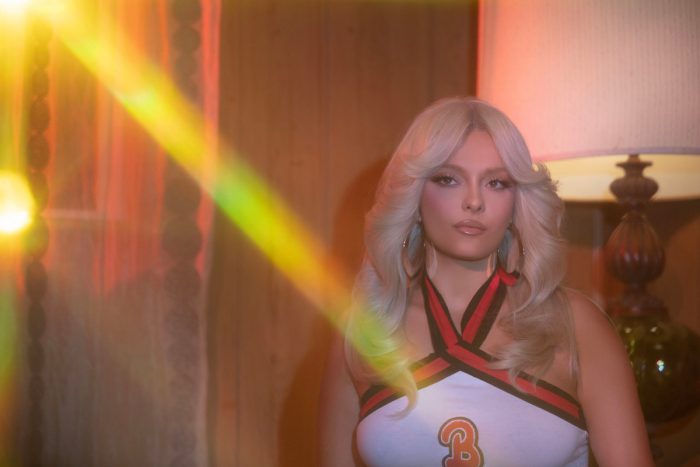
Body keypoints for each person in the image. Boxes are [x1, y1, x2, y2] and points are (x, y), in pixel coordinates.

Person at [318, 97, 654, 467]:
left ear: (517, 201)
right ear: (413, 194)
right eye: (448, 179)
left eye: (496, 182)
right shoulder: (365, 328)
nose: (474, 201)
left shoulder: (576, 326)